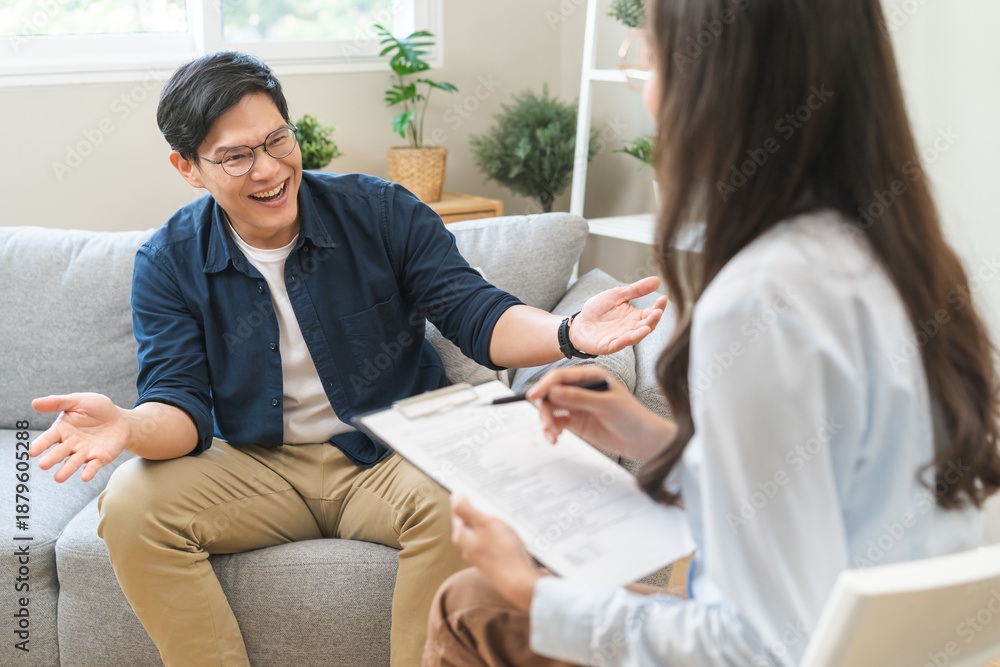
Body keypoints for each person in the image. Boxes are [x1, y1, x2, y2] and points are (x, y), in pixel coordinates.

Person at [27, 51, 668, 667]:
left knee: (466, 501)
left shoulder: (380, 212)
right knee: (131, 504)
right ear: (188, 167)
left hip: (392, 451)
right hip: (255, 464)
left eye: (277, 140)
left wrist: (568, 331)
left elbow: (476, 314)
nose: (268, 169)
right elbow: (181, 407)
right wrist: (128, 425)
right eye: (237, 156)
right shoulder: (168, 261)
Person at [423, 0, 1000, 665]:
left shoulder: (759, 301)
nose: (646, 90)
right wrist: (656, 442)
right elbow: (823, 493)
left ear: (716, 84)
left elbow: (756, 647)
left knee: (474, 603)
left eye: (651, 57)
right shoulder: (906, 261)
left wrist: (533, 590)